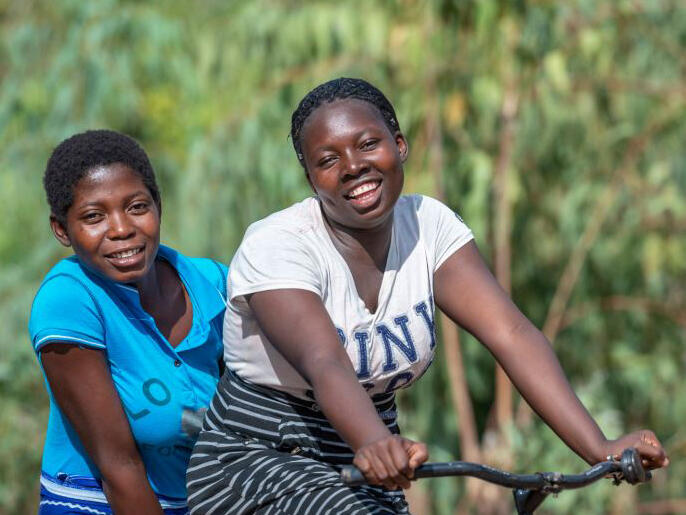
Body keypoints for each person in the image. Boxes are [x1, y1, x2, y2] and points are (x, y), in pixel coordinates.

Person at [187, 78, 668, 514]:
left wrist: (599, 448)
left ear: (400, 145)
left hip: (369, 464)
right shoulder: (278, 245)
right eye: (328, 160)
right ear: (311, 179)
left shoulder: (429, 226)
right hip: (259, 460)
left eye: (368, 144)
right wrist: (373, 441)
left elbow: (512, 334)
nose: (353, 166)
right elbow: (323, 361)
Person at [29, 130, 228, 515]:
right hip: (103, 501)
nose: (121, 228)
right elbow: (119, 467)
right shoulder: (70, 301)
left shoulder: (214, 284)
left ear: (158, 206)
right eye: (93, 216)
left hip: (204, 498)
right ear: (61, 230)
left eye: (137, 207)